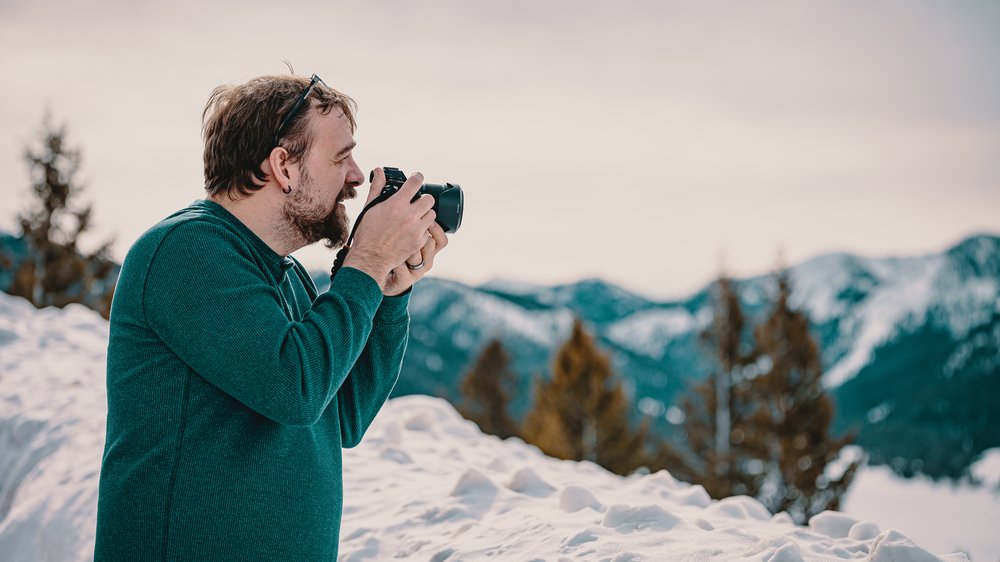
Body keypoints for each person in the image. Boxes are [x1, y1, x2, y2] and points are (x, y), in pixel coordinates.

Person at [94, 73, 447, 560]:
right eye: (341, 156)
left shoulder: (288, 278)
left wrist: (386, 293)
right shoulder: (186, 250)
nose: (356, 177)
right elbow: (294, 388)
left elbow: (342, 415)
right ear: (283, 164)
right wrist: (364, 263)